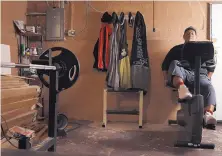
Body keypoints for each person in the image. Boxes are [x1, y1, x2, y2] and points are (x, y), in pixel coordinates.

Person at [162, 26, 217, 128]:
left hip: (200, 75)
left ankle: (208, 114)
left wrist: (208, 79)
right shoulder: (176, 49)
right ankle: (182, 89)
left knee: (210, 88)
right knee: (174, 63)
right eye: (187, 34)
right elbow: (165, 66)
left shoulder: (203, 49)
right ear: (183, 36)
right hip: (183, 74)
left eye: (192, 34)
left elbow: (211, 67)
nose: (190, 35)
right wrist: (166, 79)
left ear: (196, 37)